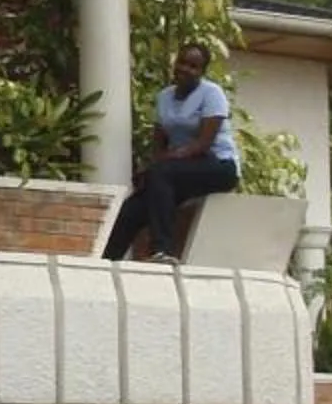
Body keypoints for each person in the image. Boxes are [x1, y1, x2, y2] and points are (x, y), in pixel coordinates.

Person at [102, 40, 242, 262]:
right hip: (180, 170)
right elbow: (159, 143)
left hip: (217, 166)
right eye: (183, 62)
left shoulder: (212, 94)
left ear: (201, 72)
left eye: (194, 66)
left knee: (162, 172)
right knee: (134, 206)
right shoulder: (164, 97)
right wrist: (149, 168)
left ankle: (162, 251)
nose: (186, 69)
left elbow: (202, 144)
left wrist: (159, 165)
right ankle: (106, 262)